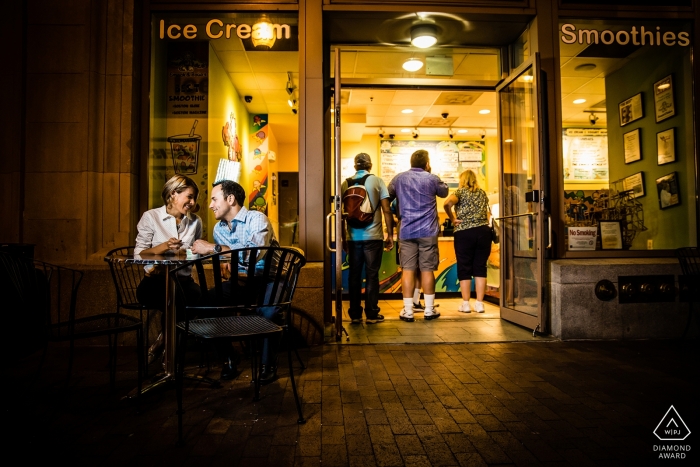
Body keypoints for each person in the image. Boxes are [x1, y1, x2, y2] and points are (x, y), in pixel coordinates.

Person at [191, 180, 281, 384]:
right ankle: (229, 357)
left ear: (230, 199)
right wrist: (224, 263)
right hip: (242, 281)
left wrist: (214, 249)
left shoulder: (257, 219)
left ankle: (268, 365)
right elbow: (227, 261)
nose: (210, 205)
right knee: (205, 303)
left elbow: (251, 255)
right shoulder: (218, 229)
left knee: (269, 312)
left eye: (214, 199)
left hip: (269, 280)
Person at [134, 175, 203, 364]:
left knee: (195, 297)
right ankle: (171, 356)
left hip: (183, 283)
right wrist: (164, 246)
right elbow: (139, 254)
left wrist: (187, 253)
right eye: (189, 196)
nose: (192, 202)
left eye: (194, 198)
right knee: (176, 302)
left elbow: (194, 254)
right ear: (173, 193)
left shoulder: (195, 222)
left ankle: (162, 344)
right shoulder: (151, 217)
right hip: (155, 283)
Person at [388, 149, 449, 322]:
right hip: (428, 232)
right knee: (427, 270)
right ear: (427, 163)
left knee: (407, 270)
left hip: (406, 231)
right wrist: (431, 174)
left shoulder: (399, 178)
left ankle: (408, 311)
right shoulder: (432, 178)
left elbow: (387, 196)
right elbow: (444, 193)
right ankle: (429, 309)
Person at [342, 153, 394, 324]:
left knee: (354, 276)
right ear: (370, 165)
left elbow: (341, 215)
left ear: (355, 166)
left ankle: (355, 314)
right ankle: (371, 314)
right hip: (373, 237)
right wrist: (390, 235)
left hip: (353, 237)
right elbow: (387, 210)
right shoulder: (377, 181)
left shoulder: (345, 184)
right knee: (372, 275)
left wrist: (344, 238)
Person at [443, 170, 492, 313]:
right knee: (480, 267)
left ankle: (465, 304)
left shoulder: (460, 192)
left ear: (462, 180)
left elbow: (447, 204)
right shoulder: (482, 193)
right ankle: (480, 304)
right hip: (483, 232)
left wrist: (452, 219)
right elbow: (488, 212)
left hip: (464, 232)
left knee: (464, 266)